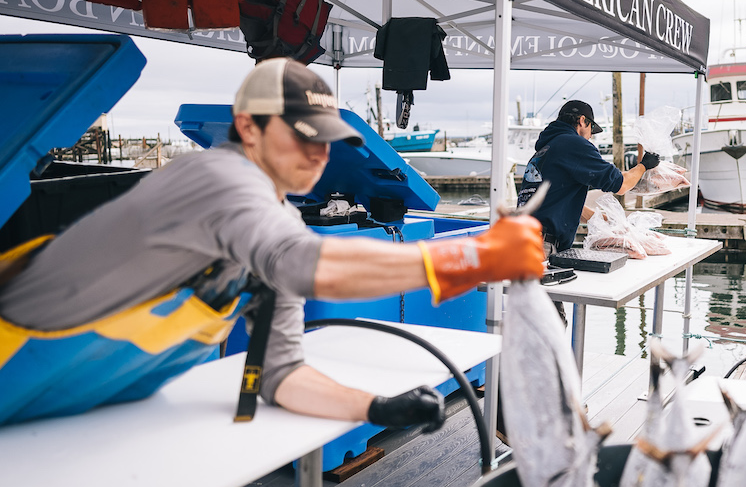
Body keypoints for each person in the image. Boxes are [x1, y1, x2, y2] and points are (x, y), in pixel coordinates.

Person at [0, 58, 545, 429]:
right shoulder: (215, 177)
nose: (319, 155)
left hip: (77, 418)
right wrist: (469, 257)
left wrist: (377, 408)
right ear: (249, 127)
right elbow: (307, 264)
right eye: (302, 136)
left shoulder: (276, 219)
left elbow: (281, 376)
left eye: (327, 141)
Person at [517, 99, 658, 257]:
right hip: (540, 246)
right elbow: (621, 184)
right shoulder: (573, 144)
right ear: (582, 121)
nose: (591, 136)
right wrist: (644, 165)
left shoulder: (547, 148)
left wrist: (612, 222)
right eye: (592, 129)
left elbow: (564, 204)